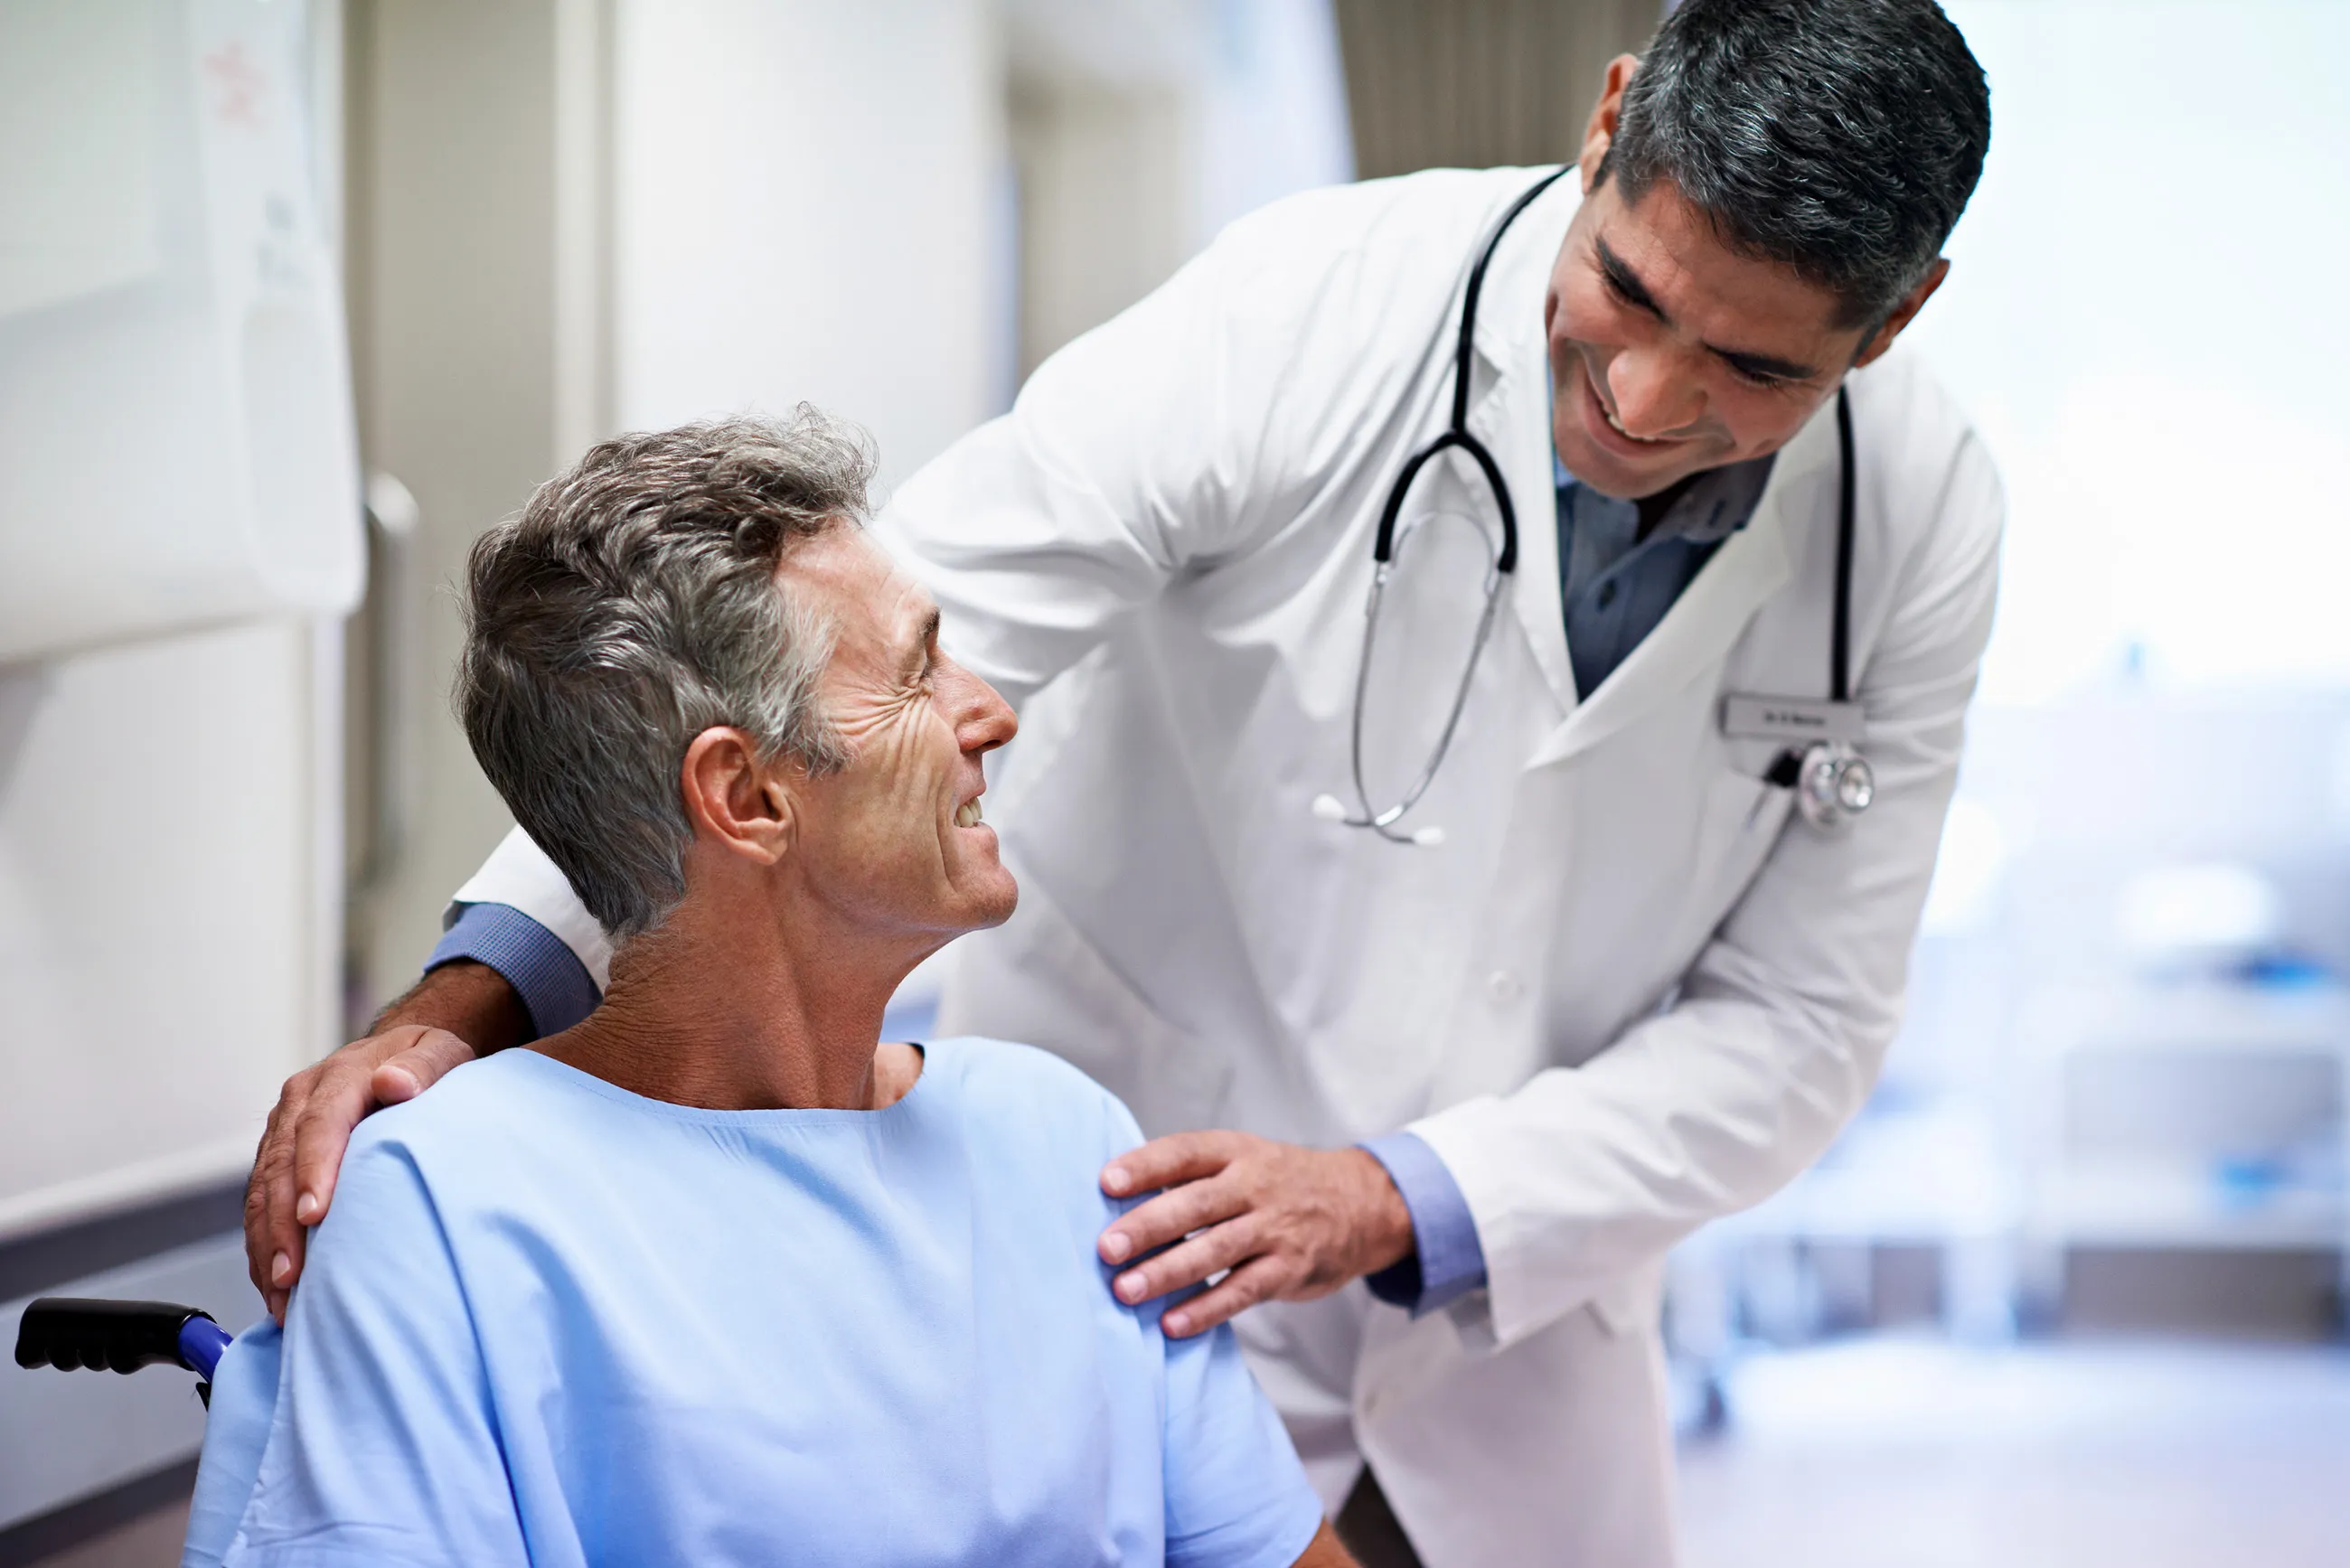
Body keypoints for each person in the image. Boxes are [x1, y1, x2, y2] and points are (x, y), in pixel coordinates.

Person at [246, 3, 1999, 1563]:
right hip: (1136, 1228)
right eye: (1624, 293)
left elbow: (1800, 1020)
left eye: (1754, 371)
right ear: (1608, 123)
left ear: (1899, 315)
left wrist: (1398, 1196)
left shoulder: (1916, 527)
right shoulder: (1310, 309)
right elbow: (810, 669)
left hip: (1493, 1312)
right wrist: (460, 1003)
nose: (1636, 393)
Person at [196, 415, 1349, 1568]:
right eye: (918, 672)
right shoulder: (437, 1209)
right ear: (745, 797)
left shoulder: (1064, 1145)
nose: (989, 708)